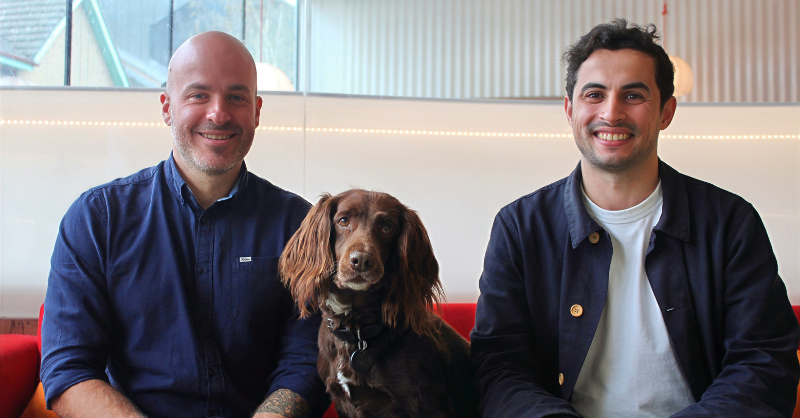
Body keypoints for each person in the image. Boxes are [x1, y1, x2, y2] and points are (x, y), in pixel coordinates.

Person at [471, 19, 800, 418]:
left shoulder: (731, 223)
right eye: (595, 94)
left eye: (633, 95)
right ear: (570, 109)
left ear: (666, 112)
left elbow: (764, 362)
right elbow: (500, 369)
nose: (611, 113)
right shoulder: (520, 228)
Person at [40, 31, 327, 418]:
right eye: (198, 95)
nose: (218, 113)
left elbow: (307, 359)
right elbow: (69, 370)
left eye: (236, 97)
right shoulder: (96, 220)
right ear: (166, 107)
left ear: (257, 111)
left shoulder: (301, 226)